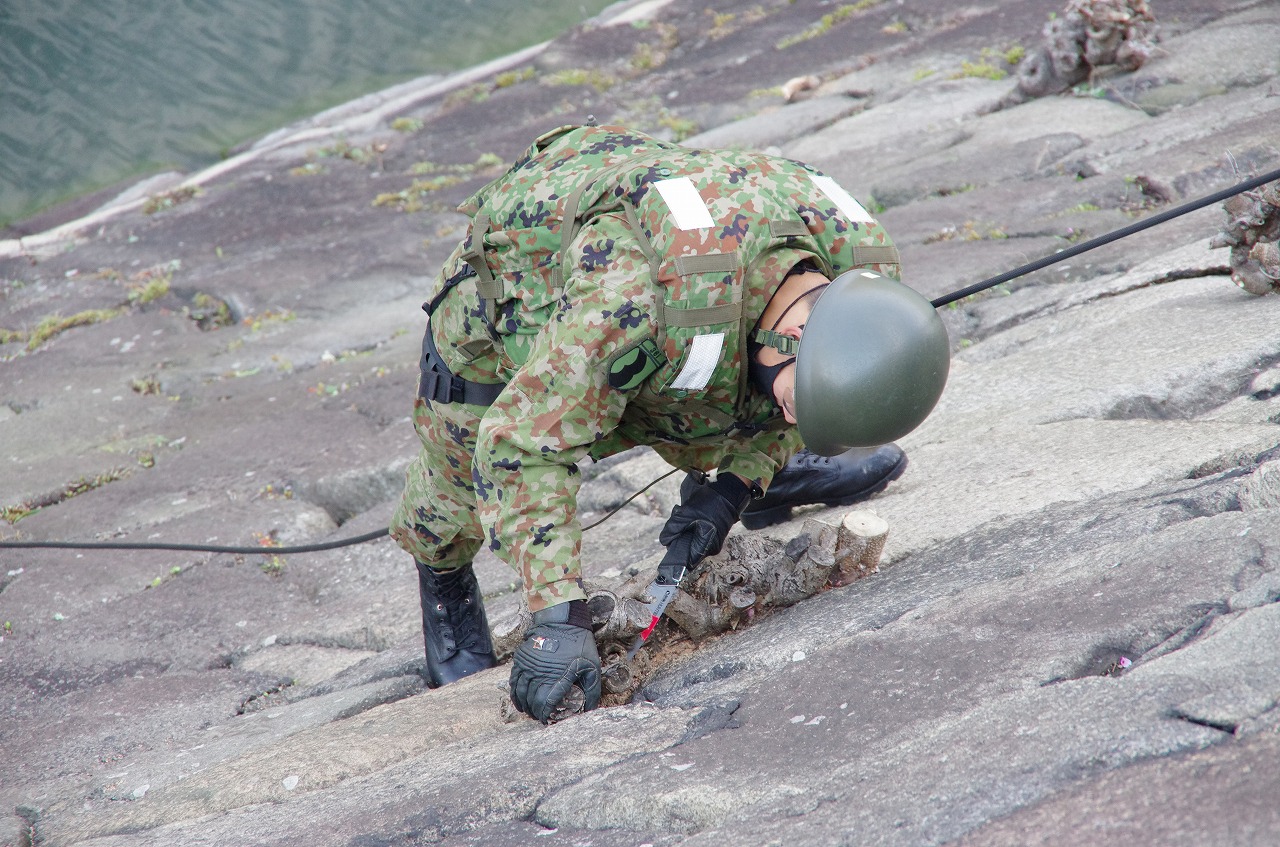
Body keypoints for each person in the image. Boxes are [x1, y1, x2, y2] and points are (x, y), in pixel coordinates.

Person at [390, 124, 948, 723]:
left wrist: (733, 488)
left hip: (685, 323)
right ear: (790, 336)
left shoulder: (861, 291)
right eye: (797, 405)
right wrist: (557, 616)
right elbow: (521, 443)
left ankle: (762, 483)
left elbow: (788, 383)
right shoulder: (636, 303)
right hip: (503, 319)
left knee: (729, 392)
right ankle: (443, 579)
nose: (793, 419)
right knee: (454, 496)